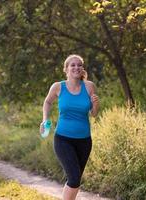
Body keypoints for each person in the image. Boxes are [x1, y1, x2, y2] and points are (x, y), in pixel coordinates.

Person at [40, 54, 99, 200]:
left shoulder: (89, 86)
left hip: (84, 141)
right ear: (66, 69)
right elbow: (47, 102)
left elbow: (94, 114)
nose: (76, 67)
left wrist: (96, 103)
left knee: (76, 180)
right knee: (73, 178)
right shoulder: (58, 87)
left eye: (79, 65)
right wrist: (45, 119)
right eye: (72, 65)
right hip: (63, 139)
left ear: (82, 68)